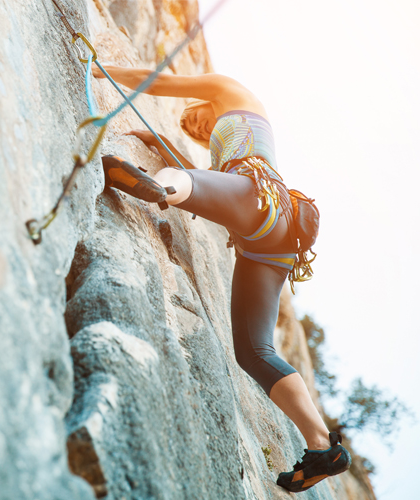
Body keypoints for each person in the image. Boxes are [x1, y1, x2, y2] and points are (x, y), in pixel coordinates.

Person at [93, 64, 351, 492]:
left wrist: (107, 71)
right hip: (271, 245)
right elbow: (219, 191)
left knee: (182, 184)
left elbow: (161, 80)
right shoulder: (238, 142)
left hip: (260, 199)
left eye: (193, 116)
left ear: (207, 102)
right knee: (253, 352)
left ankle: (160, 190)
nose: (191, 122)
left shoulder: (233, 92)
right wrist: (162, 145)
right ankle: (323, 445)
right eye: (190, 127)